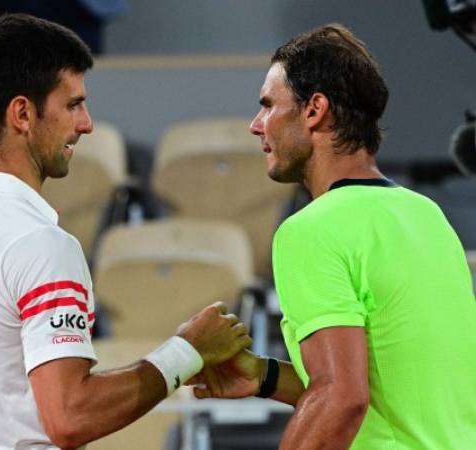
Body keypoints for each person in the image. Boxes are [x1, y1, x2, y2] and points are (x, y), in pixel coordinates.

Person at [0, 14, 252, 449]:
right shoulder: (43, 246)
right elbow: (70, 416)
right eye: (72, 104)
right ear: (22, 113)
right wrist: (186, 352)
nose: (87, 123)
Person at [189, 23, 476, 449]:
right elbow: (384, 392)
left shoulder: (312, 230)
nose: (256, 124)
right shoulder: (427, 216)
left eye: (268, 105)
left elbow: (341, 398)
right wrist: (265, 376)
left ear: (314, 109)